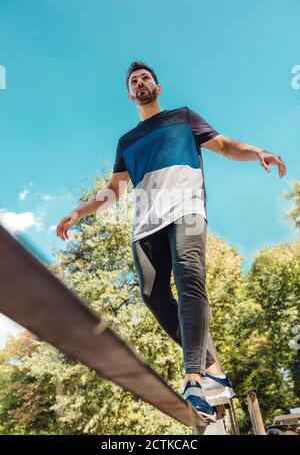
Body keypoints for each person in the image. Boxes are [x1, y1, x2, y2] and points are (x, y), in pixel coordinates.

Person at [56, 61, 286, 421]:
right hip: (146, 224)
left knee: (189, 282)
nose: (141, 82)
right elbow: (114, 190)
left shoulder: (183, 117)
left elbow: (224, 145)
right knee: (153, 296)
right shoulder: (127, 142)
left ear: (157, 87)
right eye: (134, 81)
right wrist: (79, 213)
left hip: (186, 211)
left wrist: (256, 151)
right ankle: (215, 371)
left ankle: (194, 379)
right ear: (130, 94)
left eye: (146, 77)